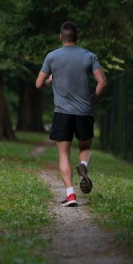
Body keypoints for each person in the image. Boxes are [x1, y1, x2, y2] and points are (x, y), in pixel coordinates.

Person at [35, 21, 107, 207]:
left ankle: (71, 195)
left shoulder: (52, 57)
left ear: (61, 37)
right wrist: (94, 98)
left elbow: (38, 84)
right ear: (77, 37)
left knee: (64, 154)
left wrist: (49, 81)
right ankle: (83, 166)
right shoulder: (89, 56)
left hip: (62, 113)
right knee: (85, 148)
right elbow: (102, 82)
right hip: (84, 112)